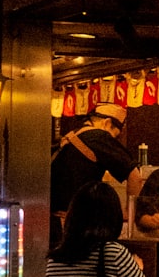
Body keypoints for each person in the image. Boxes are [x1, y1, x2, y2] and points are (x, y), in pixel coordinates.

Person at [49, 102, 140, 244]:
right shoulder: (98, 136)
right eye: (115, 136)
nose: (113, 140)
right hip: (74, 228)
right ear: (107, 123)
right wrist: (131, 212)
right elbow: (135, 174)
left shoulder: (71, 136)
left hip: (52, 224)